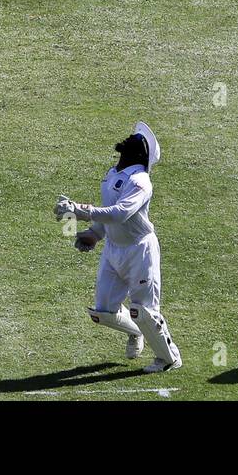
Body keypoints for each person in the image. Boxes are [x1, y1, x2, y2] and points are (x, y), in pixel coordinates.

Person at [55, 122, 182, 374]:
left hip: (139, 252)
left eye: (137, 139)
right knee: (102, 312)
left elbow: (120, 213)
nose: (131, 138)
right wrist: (94, 233)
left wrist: (80, 211)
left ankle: (169, 358)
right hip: (114, 250)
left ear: (140, 154)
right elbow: (109, 213)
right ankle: (138, 332)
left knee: (144, 311)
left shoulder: (141, 181)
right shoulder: (113, 174)